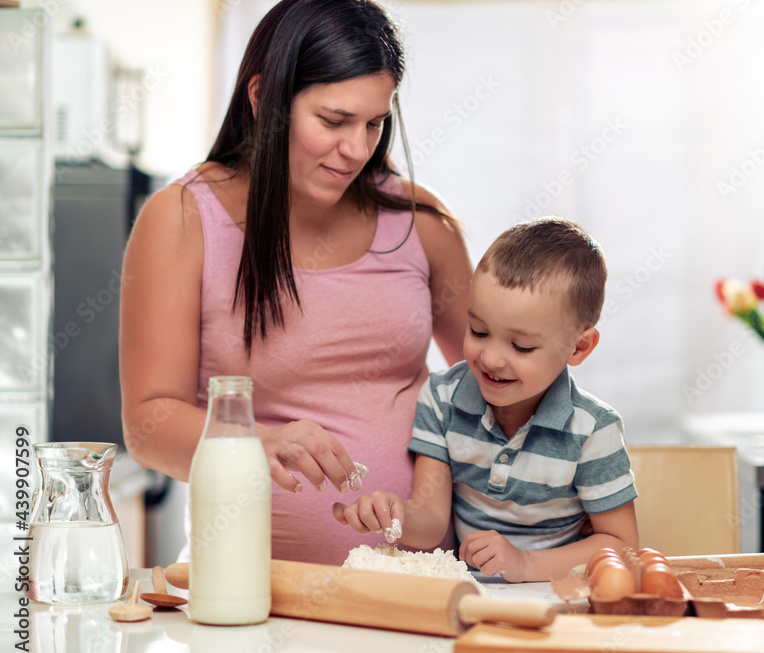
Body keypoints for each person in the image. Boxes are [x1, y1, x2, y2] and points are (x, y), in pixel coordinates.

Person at [119, 0, 472, 565]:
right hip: (249, 589)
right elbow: (147, 425)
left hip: (413, 588)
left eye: (375, 123)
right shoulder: (183, 221)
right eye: (333, 121)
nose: (357, 149)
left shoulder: (421, 221)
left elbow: (496, 387)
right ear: (263, 99)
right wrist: (249, 443)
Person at [333, 218, 639, 582]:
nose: (491, 359)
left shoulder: (593, 430)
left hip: (557, 601)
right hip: (471, 599)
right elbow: (431, 521)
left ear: (578, 347)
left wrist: (525, 564)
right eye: (478, 331)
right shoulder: (443, 398)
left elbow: (623, 547)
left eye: (521, 346)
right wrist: (394, 513)